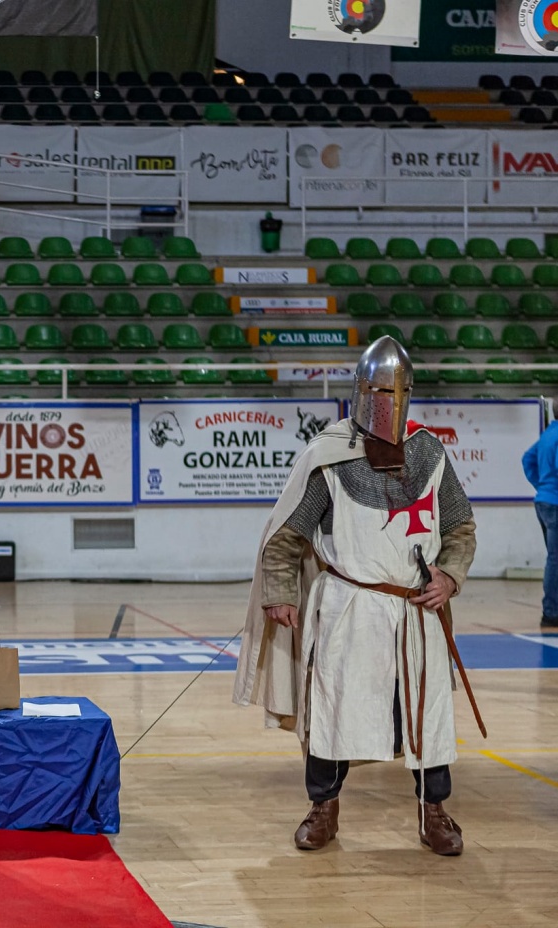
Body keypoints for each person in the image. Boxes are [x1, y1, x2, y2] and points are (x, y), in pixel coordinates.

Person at [234, 336, 477, 857]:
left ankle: (434, 812)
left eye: (396, 390)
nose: (387, 402)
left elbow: (459, 527)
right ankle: (324, 808)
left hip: (417, 610)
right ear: (361, 391)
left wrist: (450, 577)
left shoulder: (429, 453)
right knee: (335, 707)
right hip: (349, 608)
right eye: (379, 390)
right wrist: (281, 594)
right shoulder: (330, 454)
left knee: (426, 713)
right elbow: (284, 539)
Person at [521, 419, 558, 629]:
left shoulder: (549, 433)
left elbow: (527, 459)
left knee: (554, 558)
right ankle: (552, 612)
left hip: (544, 500)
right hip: (555, 502)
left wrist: (541, 485)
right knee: (555, 559)